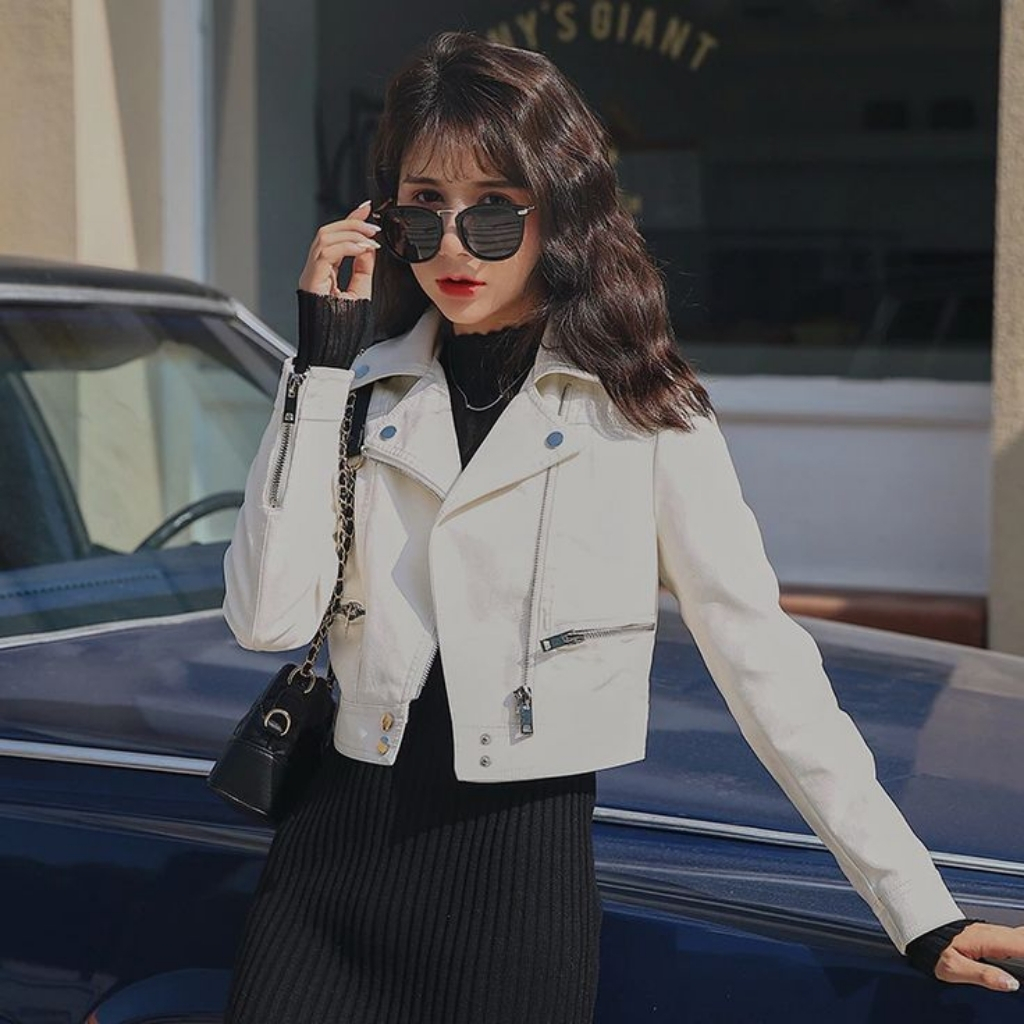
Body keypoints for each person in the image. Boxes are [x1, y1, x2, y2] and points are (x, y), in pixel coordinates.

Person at [219, 30, 1023, 1024]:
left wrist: (918, 908)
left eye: (495, 209)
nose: (457, 246)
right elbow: (263, 618)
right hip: (326, 872)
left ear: (556, 209)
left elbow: (761, 661)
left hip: (511, 893)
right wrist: (320, 365)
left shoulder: (642, 409)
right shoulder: (356, 390)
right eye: (424, 207)